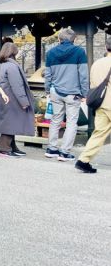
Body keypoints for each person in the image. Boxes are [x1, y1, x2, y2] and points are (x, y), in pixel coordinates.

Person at [44, 28, 88, 162]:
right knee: (71, 123)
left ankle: (52, 149)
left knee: (55, 120)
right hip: (73, 93)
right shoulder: (79, 52)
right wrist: (85, 93)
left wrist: (47, 90)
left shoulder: (50, 52)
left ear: (59, 39)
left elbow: (47, 74)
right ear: (74, 39)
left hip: (55, 91)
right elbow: (83, 75)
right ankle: (64, 152)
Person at [75, 36, 111, 173]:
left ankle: (83, 160)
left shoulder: (96, 64)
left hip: (100, 104)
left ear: (106, 47)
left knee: (98, 133)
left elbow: (93, 84)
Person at [0, 42, 33, 158]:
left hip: (2, 97)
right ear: (13, 52)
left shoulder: (0, 65)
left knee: (9, 123)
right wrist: (24, 102)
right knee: (10, 123)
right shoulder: (12, 66)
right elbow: (17, 86)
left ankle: (12, 146)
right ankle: (5, 149)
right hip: (11, 99)